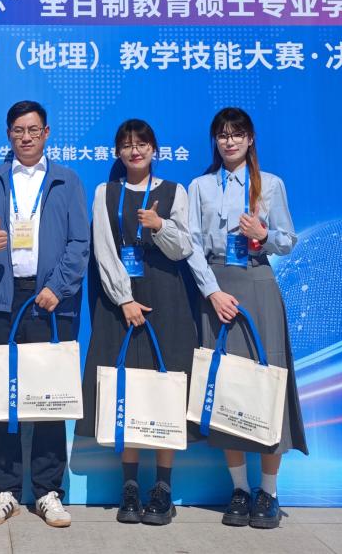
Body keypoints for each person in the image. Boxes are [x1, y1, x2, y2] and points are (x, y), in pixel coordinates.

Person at [0, 100, 90, 528]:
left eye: (33, 129)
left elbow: (79, 243)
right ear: (9, 134)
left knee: (50, 397)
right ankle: (5, 490)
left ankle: (48, 491)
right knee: (5, 397)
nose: (26, 137)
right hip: (2, 297)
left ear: (46, 133)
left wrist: (57, 288)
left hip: (51, 300)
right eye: (18, 130)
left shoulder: (66, 181)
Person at [186, 107, 308, 529]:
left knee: (268, 384)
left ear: (250, 139)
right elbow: (192, 246)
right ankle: (239, 489)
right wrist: (212, 292)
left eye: (237, 134)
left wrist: (263, 235)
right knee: (226, 387)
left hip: (258, 283)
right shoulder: (200, 186)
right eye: (222, 135)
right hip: (217, 287)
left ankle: (268, 492)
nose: (230, 141)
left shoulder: (269, 184)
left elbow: (288, 240)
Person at [76, 119, 197, 526]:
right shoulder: (105, 193)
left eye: (142, 143)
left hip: (168, 300)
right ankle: (129, 485)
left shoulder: (175, 191)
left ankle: (163, 489)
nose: (135, 150)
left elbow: (184, 248)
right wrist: (124, 298)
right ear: (117, 153)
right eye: (127, 145)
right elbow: (103, 250)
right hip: (120, 305)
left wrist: (159, 227)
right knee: (124, 390)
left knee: (166, 391)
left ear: (154, 149)